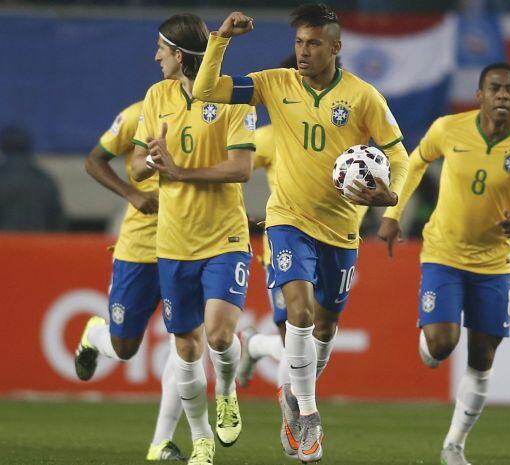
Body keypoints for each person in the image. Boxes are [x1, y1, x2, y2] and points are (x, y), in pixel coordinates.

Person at [192, 4, 409, 462]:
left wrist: (391, 196)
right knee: (300, 310)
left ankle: (282, 379)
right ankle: (308, 416)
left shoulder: (363, 96)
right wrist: (222, 38)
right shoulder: (275, 83)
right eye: (298, 43)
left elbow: (399, 154)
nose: (303, 52)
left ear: (336, 47)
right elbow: (205, 89)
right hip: (288, 220)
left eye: (313, 43)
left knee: (324, 327)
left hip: (341, 230)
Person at [378, 62, 510, 465]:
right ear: (480, 95)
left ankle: (454, 445)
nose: (503, 96)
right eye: (495, 88)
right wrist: (392, 215)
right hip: (444, 252)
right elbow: (416, 162)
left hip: (494, 263)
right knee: (441, 345)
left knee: (482, 356)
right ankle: (429, 336)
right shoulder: (448, 129)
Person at [129, 14, 257, 465]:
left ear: (179, 54)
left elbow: (241, 169)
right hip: (174, 241)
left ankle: (226, 388)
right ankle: (201, 439)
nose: (155, 56)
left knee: (220, 337)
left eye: (161, 49)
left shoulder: (234, 95)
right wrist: (153, 159)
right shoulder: (156, 96)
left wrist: (182, 171)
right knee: (185, 348)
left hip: (224, 236)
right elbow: (137, 168)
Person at [236, 54, 368, 392]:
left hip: (335, 235)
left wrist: (362, 213)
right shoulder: (268, 137)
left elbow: (365, 178)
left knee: (318, 331)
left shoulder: (346, 131)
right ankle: (295, 417)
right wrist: (238, 213)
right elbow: (234, 175)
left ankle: (253, 346)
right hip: (285, 237)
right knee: (294, 330)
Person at [73, 101, 186, 461]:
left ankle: (160, 443)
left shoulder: (207, 111)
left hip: (188, 244)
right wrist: (132, 194)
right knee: (124, 348)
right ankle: (94, 335)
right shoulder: (138, 113)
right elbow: (94, 160)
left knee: (185, 346)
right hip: (140, 248)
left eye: (163, 49)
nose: (158, 57)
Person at [0, 125, 65, 231]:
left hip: (3, 245)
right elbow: (58, 221)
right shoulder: (44, 180)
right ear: (28, 147)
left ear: (3, 147)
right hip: (36, 245)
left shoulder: (2, 177)